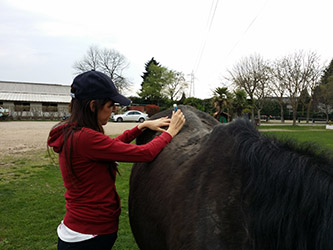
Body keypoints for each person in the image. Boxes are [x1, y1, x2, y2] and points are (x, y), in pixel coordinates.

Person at [47, 70, 185, 250]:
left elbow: (108, 147)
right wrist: (170, 132)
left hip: (81, 231)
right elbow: (145, 153)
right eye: (110, 105)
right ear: (92, 105)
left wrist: (140, 127)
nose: (113, 110)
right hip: (89, 237)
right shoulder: (85, 138)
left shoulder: (73, 131)